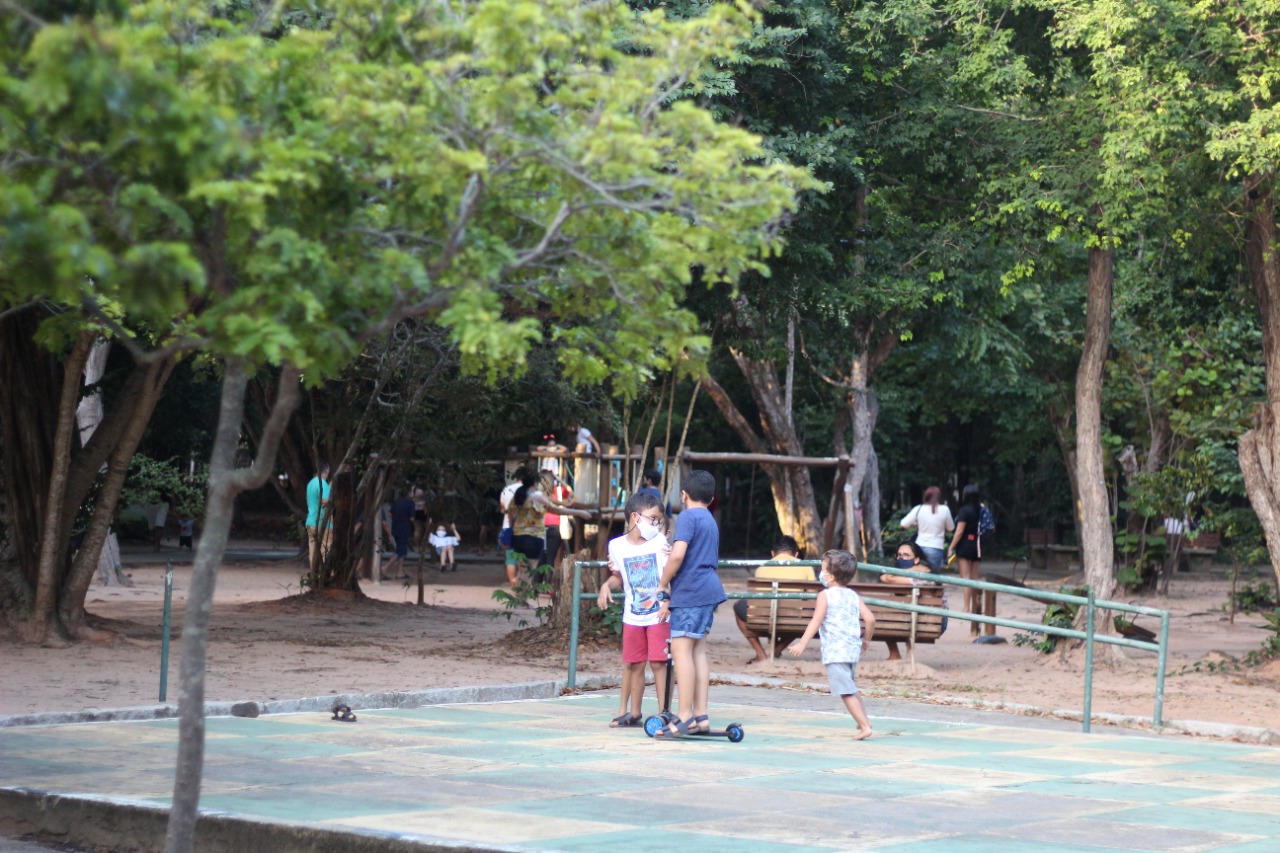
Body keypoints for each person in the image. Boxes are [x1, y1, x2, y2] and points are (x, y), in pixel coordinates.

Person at [654, 469, 726, 738]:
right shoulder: (708, 518)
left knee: (681, 652)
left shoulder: (686, 516)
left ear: (683, 495)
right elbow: (691, 552)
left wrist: (663, 583)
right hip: (709, 590)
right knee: (698, 653)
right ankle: (700, 715)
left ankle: (683, 715)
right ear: (711, 497)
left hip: (691, 592)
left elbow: (679, 556)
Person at [596, 491, 670, 727]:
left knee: (659, 662)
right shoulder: (616, 546)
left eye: (658, 520)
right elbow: (619, 576)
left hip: (659, 613)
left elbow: (669, 576)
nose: (656, 524)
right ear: (635, 517)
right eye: (652, 518)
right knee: (634, 663)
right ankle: (633, 712)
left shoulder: (660, 542)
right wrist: (607, 585)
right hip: (633, 615)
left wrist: (668, 601)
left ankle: (664, 712)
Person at [787, 549, 876, 740]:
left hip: (835, 651)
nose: (821, 573)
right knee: (851, 686)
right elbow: (870, 619)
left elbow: (816, 621)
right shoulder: (853, 595)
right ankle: (865, 722)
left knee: (845, 691)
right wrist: (866, 640)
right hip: (852, 649)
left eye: (823, 569)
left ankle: (864, 726)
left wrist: (802, 643)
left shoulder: (825, 595)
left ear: (831, 575)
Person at [732, 535, 816, 664]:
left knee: (738, 606)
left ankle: (761, 654)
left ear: (772, 553)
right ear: (796, 554)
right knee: (807, 613)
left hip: (763, 617)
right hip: (794, 618)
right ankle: (777, 650)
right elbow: (812, 596)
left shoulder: (761, 568)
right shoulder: (805, 566)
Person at [506, 471, 589, 586]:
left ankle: (519, 601)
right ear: (535, 483)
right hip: (533, 537)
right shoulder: (537, 496)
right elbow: (557, 510)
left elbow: (510, 515)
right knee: (529, 571)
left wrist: (513, 530)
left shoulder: (517, 496)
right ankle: (522, 602)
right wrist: (579, 512)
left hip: (518, 537)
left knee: (522, 570)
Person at [879, 541, 948, 661]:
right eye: (899, 555)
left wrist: (890, 577)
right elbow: (886, 577)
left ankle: (895, 654)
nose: (901, 558)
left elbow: (887, 578)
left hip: (929, 622)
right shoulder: (921, 572)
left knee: (884, 616)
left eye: (906, 555)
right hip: (924, 622)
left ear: (916, 559)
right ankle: (897, 654)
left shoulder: (924, 575)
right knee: (889, 614)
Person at [948, 483, 985, 635]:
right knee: (974, 578)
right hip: (977, 544)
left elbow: (959, 531)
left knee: (965, 578)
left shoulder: (964, 510)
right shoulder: (981, 509)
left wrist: (951, 547)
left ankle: (965, 607)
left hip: (965, 544)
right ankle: (975, 607)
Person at [899, 486, 954, 570]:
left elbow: (903, 524)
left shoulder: (919, 508)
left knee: (919, 573)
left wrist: (917, 525)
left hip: (919, 546)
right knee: (933, 575)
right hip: (936, 547)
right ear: (939, 497)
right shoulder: (945, 509)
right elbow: (950, 528)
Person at [542, 469, 573, 571]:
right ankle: (548, 585)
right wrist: (559, 479)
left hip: (540, 527)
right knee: (551, 559)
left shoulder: (538, 493)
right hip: (555, 527)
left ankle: (537, 585)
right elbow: (571, 494)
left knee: (540, 559)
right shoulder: (558, 490)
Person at [383, 489, 416, 580]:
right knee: (400, 551)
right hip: (404, 529)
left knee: (401, 550)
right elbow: (412, 518)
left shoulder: (396, 502)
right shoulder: (410, 503)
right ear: (408, 493)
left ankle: (399, 572)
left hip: (395, 528)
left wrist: (398, 518)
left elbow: (390, 514)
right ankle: (385, 568)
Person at [305, 462, 332, 566]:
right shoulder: (323, 484)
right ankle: (323, 577)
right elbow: (326, 503)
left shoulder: (310, 484)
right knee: (325, 551)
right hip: (323, 523)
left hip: (311, 521)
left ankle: (314, 576)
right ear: (326, 471)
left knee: (313, 551)